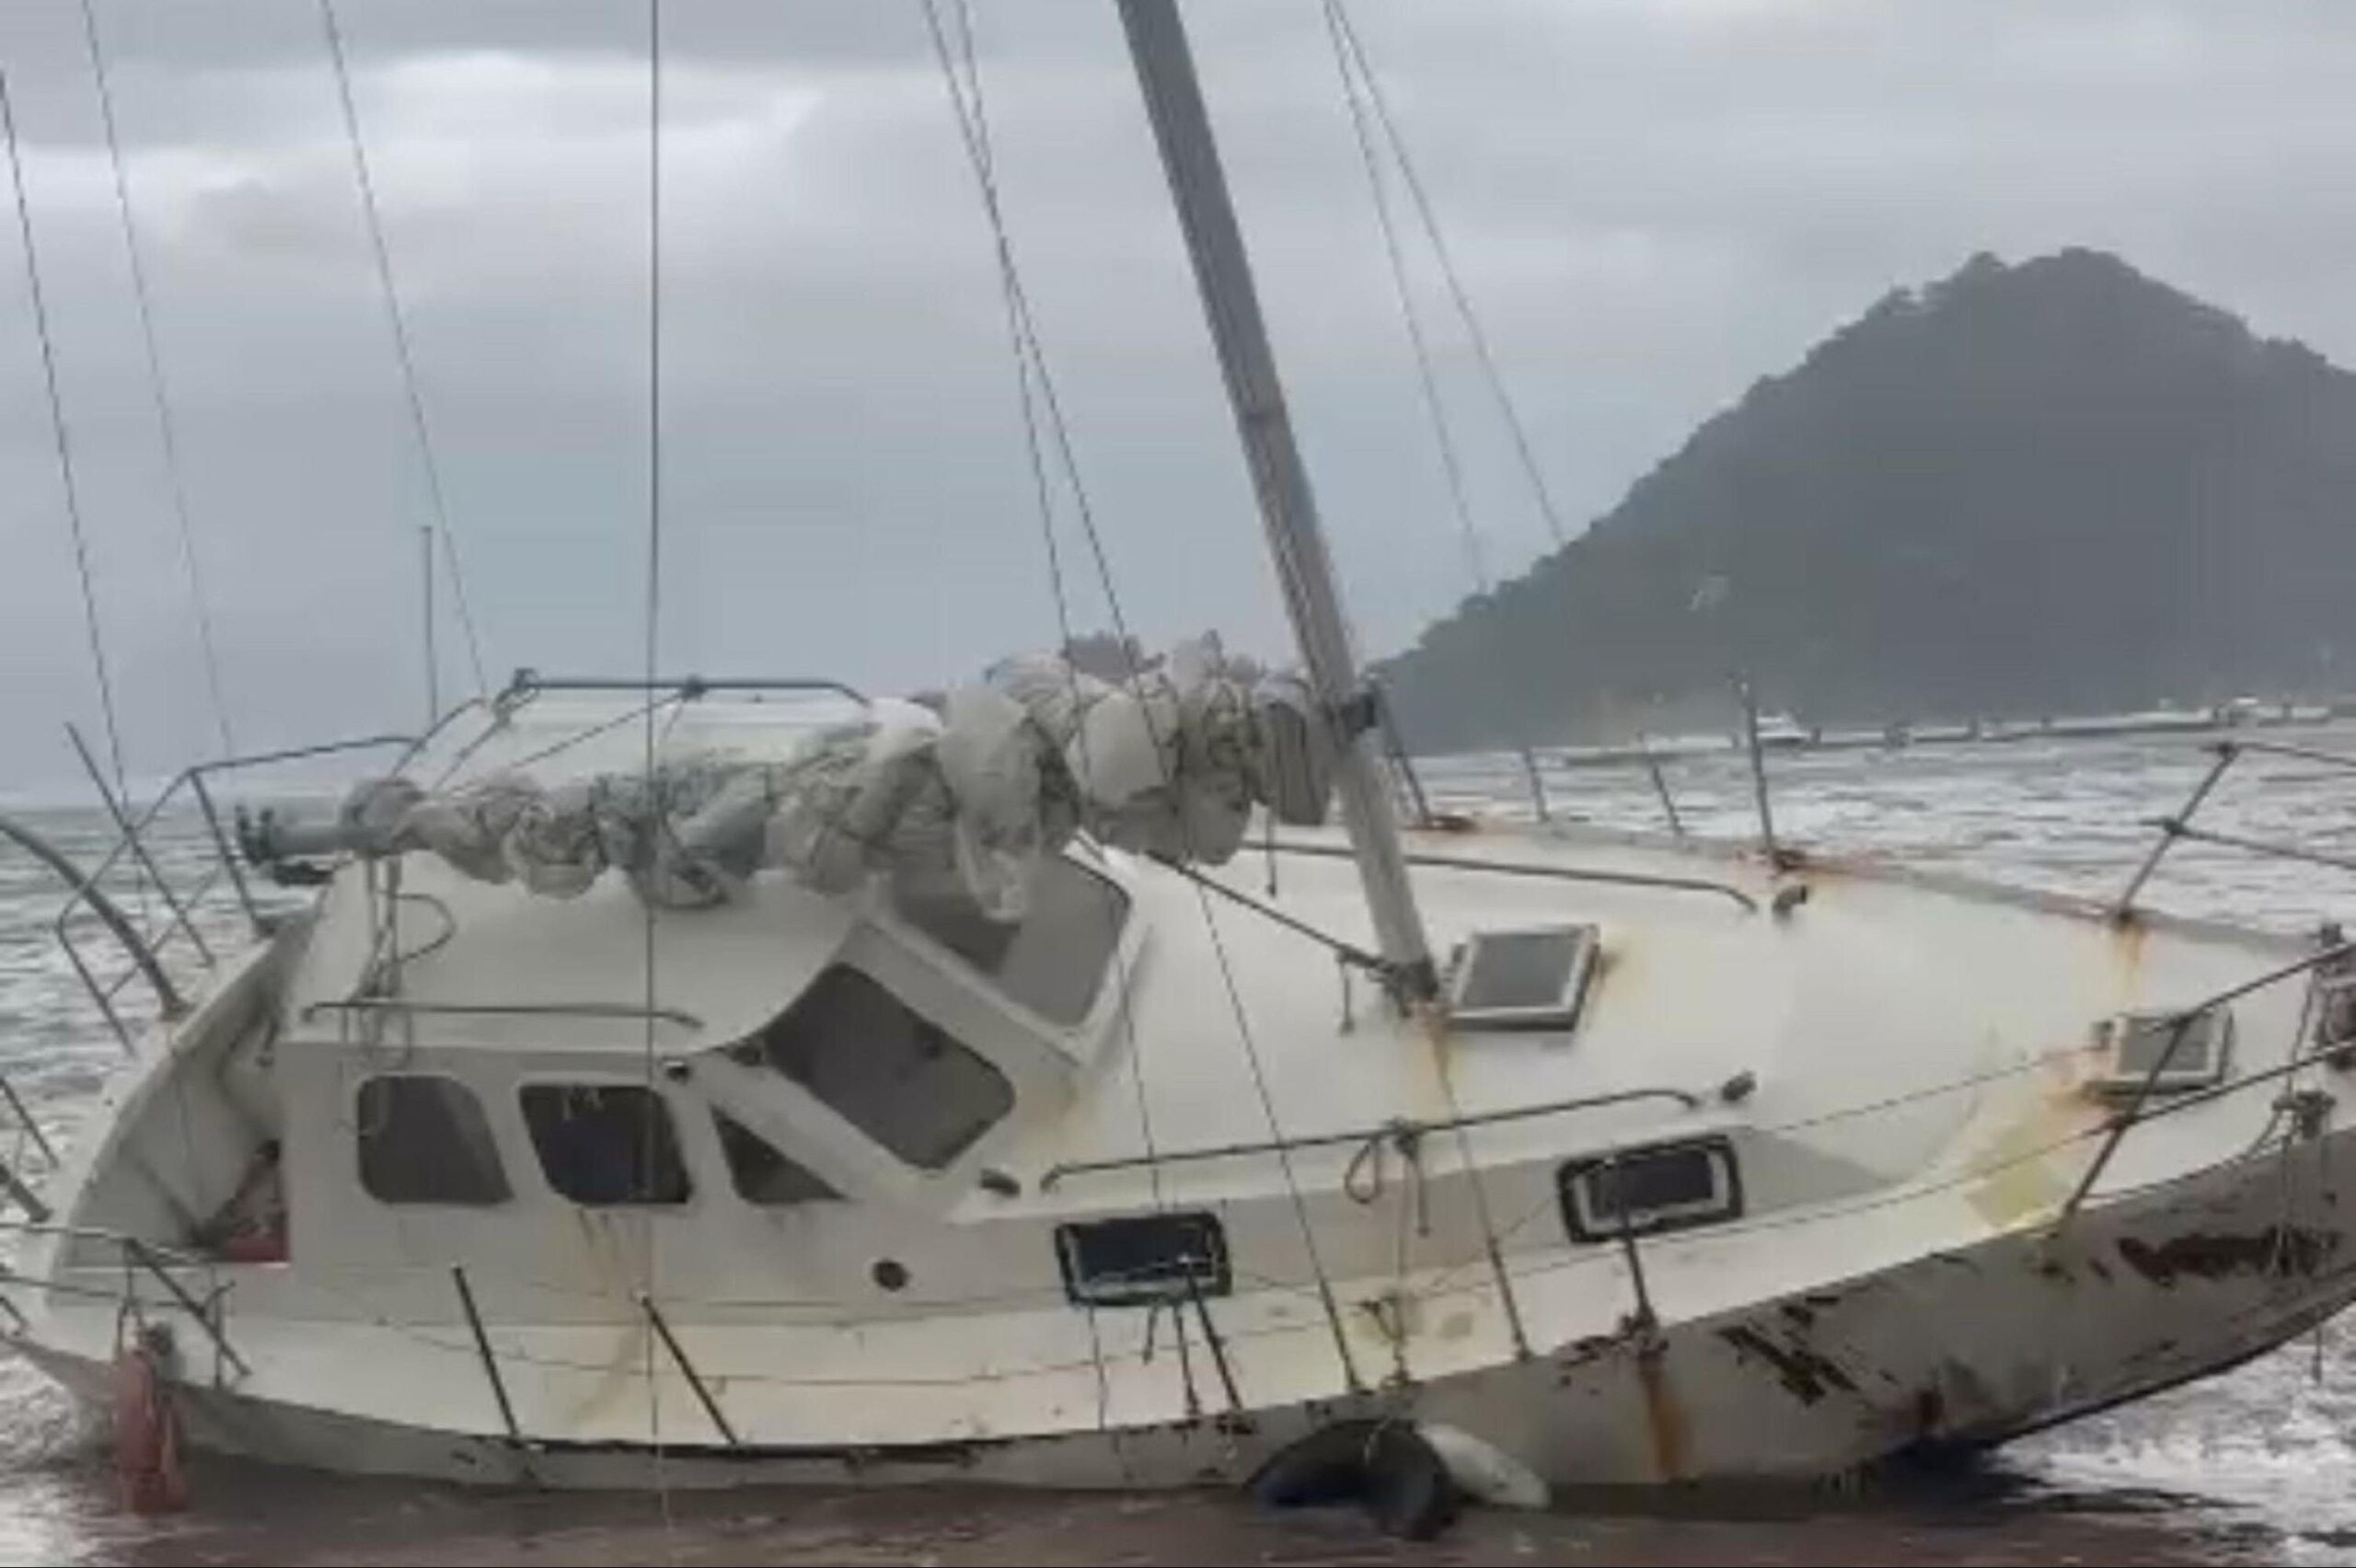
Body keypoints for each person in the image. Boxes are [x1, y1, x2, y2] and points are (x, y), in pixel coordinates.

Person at [191, 1139, 288, 1263]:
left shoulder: (273, 1220)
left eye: (257, 1174)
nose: (247, 1180)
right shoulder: (235, 1209)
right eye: (251, 1172)